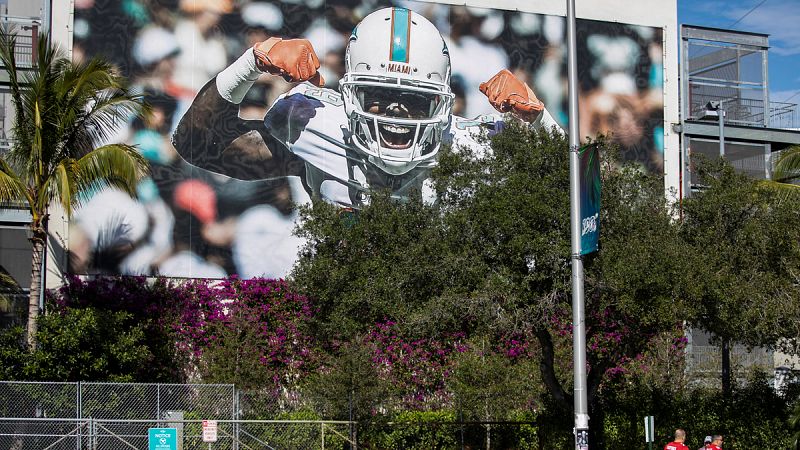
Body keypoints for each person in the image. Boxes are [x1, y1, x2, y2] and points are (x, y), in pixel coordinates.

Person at [171, 6, 560, 277]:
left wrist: (541, 123)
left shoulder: (472, 146)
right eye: (378, 95)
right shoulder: (313, 124)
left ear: (440, 102)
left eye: (413, 99)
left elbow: (589, 205)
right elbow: (197, 145)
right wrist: (251, 63)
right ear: (350, 94)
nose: (394, 111)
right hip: (343, 315)